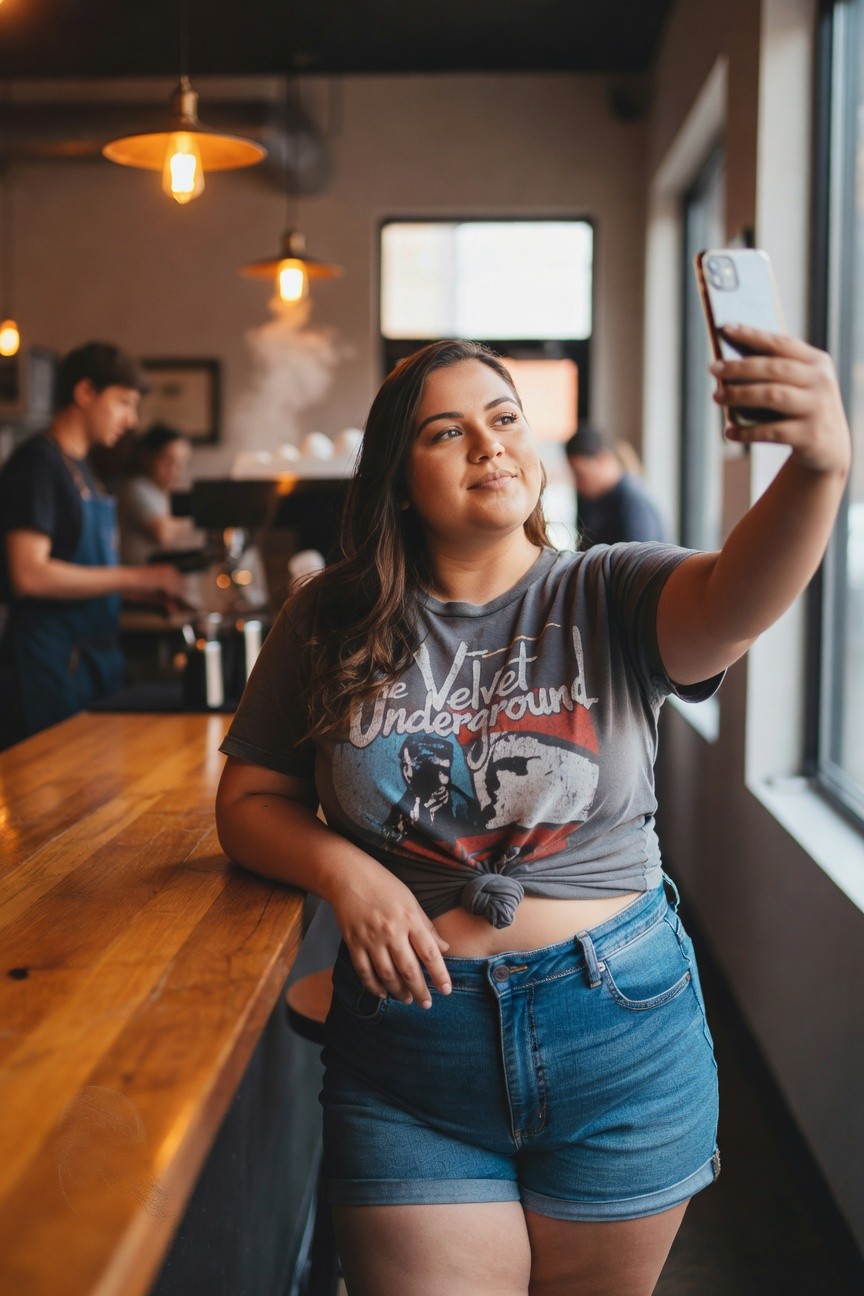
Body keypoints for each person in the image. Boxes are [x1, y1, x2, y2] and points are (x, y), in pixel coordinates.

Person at [216, 329, 850, 1296]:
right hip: (408, 1061)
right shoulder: (327, 618)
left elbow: (736, 593)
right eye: (447, 431)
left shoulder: (609, 589)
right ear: (396, 476)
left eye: (505, 418)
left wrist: (818, 465)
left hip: (621, 1041)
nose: (489, 443)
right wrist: (351, 874)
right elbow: (249, 801)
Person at [0, 341, 187, 746]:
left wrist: (142, 594)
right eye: (123, 402)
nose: (131, 419)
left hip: (93, 660)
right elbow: (30, 574)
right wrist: (137, 575)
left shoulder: (83, 468)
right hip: (49, 666)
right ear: (85, 393)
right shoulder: (37, 466)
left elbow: (85, 572)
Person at [565, 418, 667, 547]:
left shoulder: (633, 504)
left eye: (580, 475)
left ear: (604, 458)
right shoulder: (592, 500)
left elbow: (638, 563)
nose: (576, 483)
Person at [116, 423, 199, 564]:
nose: (175, 469)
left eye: (181, 462)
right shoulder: (136, 487)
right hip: (135, 578)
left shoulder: (160, 491)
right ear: (148, 457)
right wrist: (199, 509)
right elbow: (163, 534)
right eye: (168, 460)